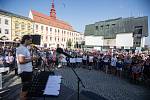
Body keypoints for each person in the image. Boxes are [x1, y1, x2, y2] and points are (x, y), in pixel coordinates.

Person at [16, 35, 37, 100]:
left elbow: (25, 59)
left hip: (27, 71)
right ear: (25, 40)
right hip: (25, 72)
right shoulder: (21, 48)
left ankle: (24, 98)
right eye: (30, 40)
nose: (31, 42)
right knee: (25, 88)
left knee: (26, 88)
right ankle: (22, 98)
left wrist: (31, 58)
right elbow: (21, 61)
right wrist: (32, 59)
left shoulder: (25, 48)